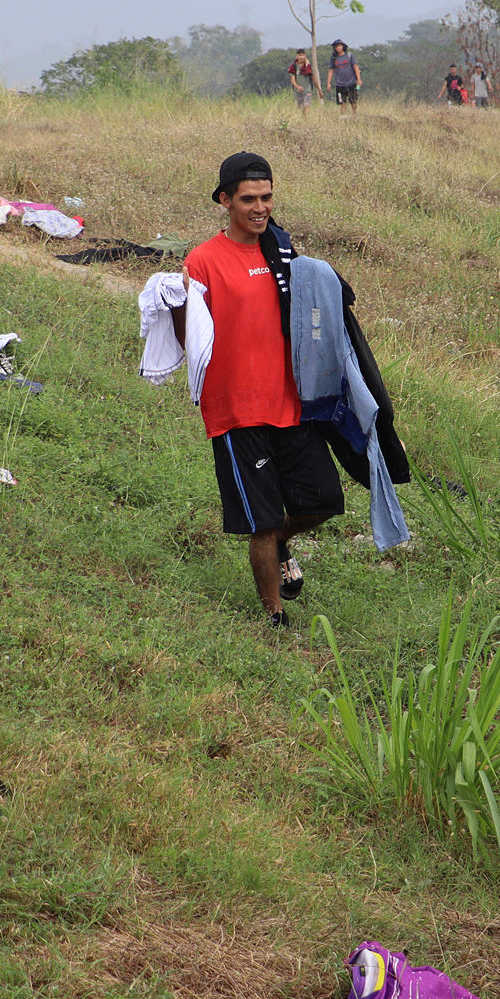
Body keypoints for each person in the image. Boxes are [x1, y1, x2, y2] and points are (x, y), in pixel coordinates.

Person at [169, 153, 344, 626]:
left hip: (292, 404)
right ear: (225, 201)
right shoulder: (202, 261)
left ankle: (283, 542)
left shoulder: (283, 253)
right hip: (237, 412)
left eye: (266, 197)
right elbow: (191, 342)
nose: (260, 207)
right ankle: (275, 613)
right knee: (262, 523)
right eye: (248, 199)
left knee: (326, 500)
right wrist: (176, 304)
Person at [327, 40, 361, 116]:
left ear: (343, 46)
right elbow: (331, 70)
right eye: (336, 46)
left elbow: (356, 67)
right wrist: (328, 83)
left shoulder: (349, 55)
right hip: (340, 84)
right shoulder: (333, 58)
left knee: (353, 101)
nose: (338, 48)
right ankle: (343, 117)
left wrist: (359, 79)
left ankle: (354, 115)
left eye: (339, 46)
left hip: (351, 82)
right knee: (342, 102)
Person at [286, 50, 316, 115]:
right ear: (297, 56)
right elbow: (293, 81)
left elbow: (314, 79)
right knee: (299, 108)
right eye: (299, 55)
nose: (301, 57)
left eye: (302, 55)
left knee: (307, 105)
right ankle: (302, 122)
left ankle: (307, 121)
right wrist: (298, 87)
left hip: (308, 90)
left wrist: (319, 90)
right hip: (298, 91)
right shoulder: (293, 67)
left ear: (305, 56)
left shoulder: (309, 67)